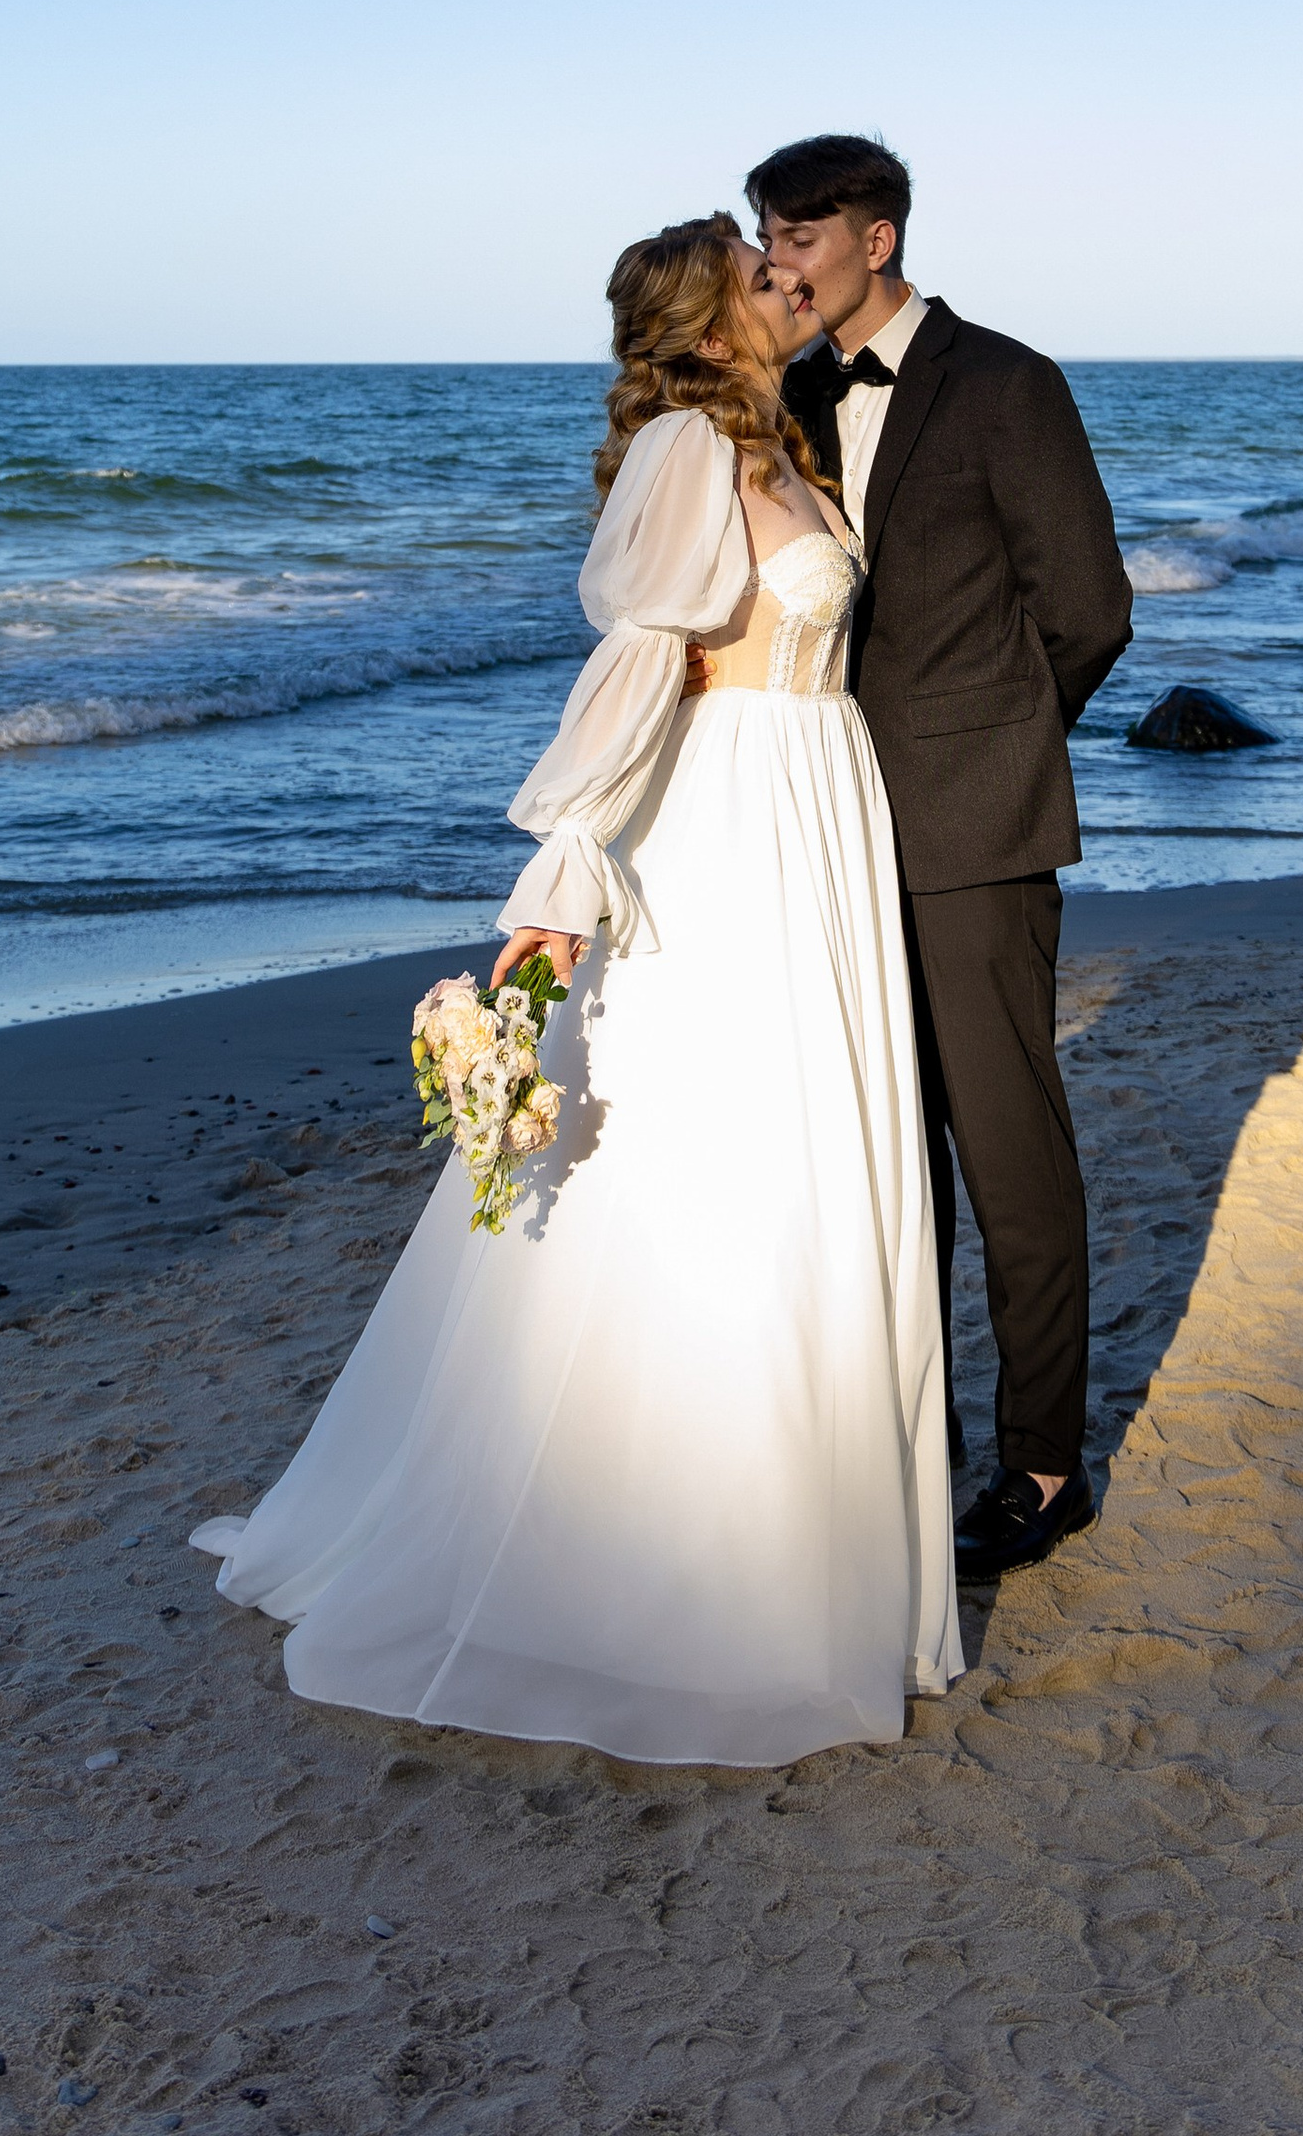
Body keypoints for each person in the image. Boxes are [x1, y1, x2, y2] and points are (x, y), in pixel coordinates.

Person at [190, 214, 960, 1766]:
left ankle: (828, 1545)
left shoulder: (784, 443)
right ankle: (703, 1559)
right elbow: (636, 672)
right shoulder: (688, 447)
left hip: (822, 810)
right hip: (736, 828)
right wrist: (555, 888)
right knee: (735, 1152)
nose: (786, 281)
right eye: (757, 273)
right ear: (708, 323)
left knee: (818, 1150)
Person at [749, 133, 1134, 1579]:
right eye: (768, 237)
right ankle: (909, 1458)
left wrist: (997, 750)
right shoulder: (784, 396)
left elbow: (1089, 608)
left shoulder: (1009, 384)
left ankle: (1043, 1466)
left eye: (800, 234)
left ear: (879, 238)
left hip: (975, 831)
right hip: (824, 832)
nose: (780, 262)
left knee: (1009, 1151)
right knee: (881, 1159)